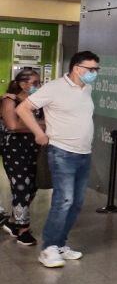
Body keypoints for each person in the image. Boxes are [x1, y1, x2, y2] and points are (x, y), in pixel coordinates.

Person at [17, 51, 99, 269]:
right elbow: (23, 108)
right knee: (64, 200)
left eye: (96, 69)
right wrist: (38, 133)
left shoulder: (87, 88)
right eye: (91, 69)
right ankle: (49, 248)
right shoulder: (54, 88)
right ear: (77, 68)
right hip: (62, 152)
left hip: (84, 153)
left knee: (77, 202)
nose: (94, 73)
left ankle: (60, 243)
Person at [0, 68, 43, 245]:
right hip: (14, 150)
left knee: (32, 188)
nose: (36, 86)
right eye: (33, 83)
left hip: (34, 149)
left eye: (38, 82)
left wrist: (37, 126)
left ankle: (12, 221)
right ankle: (22, 229)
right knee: (21, 188)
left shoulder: (37, 101)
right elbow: (12, 125)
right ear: (22, 83)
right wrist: (41, 126)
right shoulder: (10, 100)